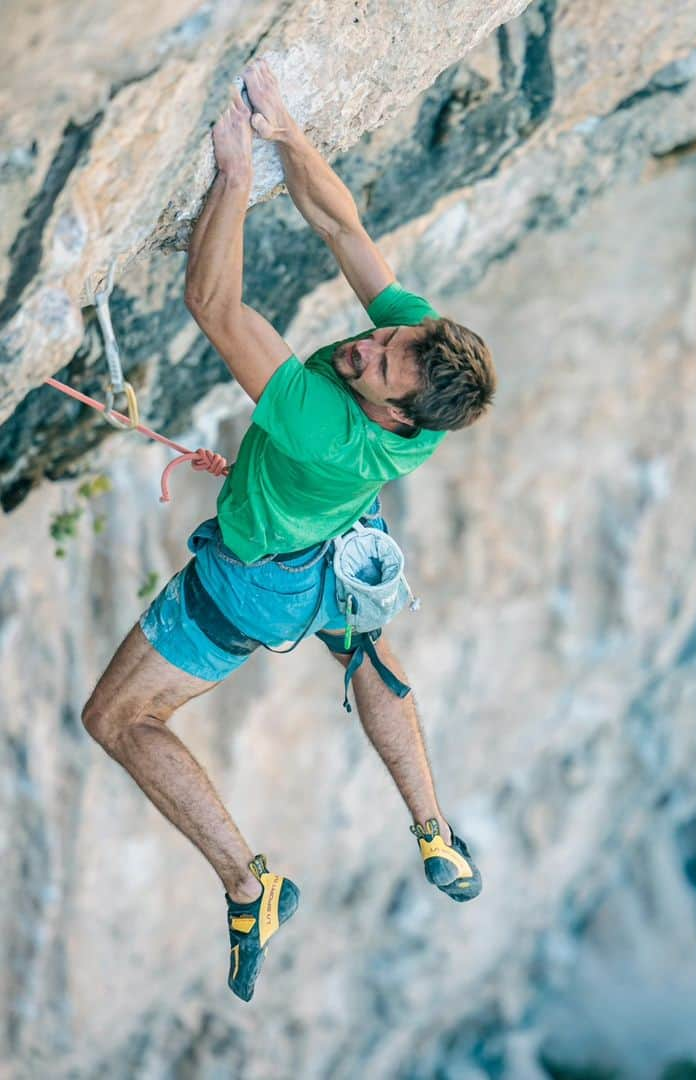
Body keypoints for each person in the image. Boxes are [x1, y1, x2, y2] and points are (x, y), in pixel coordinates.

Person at [80, 59, 495, 1002]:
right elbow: (346, 228)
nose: (370, 343)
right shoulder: (419, 397)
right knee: (364, 654)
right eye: (387, 339)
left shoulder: (327, 424)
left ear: (395, 417)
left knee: (117, 718)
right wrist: (287, 133)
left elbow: (213, 306)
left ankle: (247, 883)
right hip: (337, 543)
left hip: (257, 580)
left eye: (381, 361)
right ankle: (433, 827)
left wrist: (233, 177)